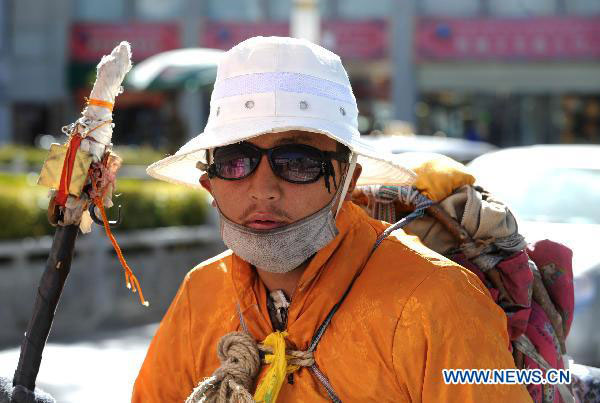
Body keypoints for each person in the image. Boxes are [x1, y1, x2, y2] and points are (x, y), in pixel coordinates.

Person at [133, 36, 531, 402]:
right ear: (209, 183)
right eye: (236, 162)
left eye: (298, 162)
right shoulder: (200, 293)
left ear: (348, 180)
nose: (263, 189)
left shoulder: (438, 301)